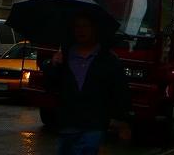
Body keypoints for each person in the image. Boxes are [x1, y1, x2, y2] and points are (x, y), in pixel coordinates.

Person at [42, 12, 131, 155]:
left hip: (94, 126)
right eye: (77, 26)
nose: (81, 30)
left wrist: (121, 121)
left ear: (94, 29)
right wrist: (53, 65)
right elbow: (50, 86)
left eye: (85, 26)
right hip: (67, 125)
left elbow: (120, 91)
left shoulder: (108, 60)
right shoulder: (64, 57)